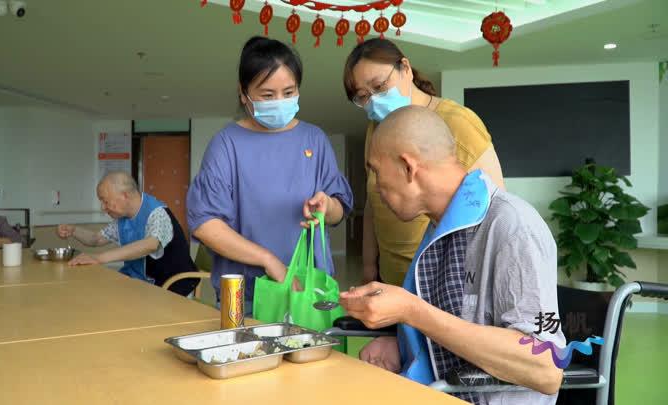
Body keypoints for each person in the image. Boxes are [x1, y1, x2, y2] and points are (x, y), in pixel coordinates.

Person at [340, 106, 564, 404]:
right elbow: (454, 325)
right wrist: (404, 345)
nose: (377, 189)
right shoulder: (439, 230)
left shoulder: (512, 225)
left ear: (408, 167)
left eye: (377, 173)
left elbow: (546, 369)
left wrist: (412, 311)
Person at [187, 36, 353, 314]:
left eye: (289, 93)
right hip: (245, 294)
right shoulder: (227, 144)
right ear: (243, 93)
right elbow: (205, 224)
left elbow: (338, 212)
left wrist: (327, 206)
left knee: (312, 358)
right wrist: (267, 260)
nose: (279, 102)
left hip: (308, 292)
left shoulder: (314, 139)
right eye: (267, 95)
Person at [343, 38, 505, 287]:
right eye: (363, 97)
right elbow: (373, 202)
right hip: (391, 283)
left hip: (442, 284)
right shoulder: (376, 128)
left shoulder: (458, 123)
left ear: (405, 68)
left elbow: (496, 208)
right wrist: (368, 269)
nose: (373, 101)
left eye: (379, 86)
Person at [57, 171, 198, 295]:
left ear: (124, 196)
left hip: (172, 287)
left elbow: (150, 245)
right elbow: (96, 239)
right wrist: (73, 230)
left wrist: (100, 258)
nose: (103, 208)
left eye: (105, 201)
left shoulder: (157, 213)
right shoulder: (124, 219)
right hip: (141, 286)